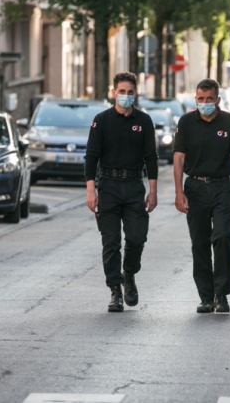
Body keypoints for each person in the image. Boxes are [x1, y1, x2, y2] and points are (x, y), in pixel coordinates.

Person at [173, 78, 230, 313]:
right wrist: (178, 192)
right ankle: (206, 297)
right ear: (195, 99)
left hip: (221, 188)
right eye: (200, 99)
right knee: (199, 243)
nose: (204, 103)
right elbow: (178, 158)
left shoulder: (228, 121)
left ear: (217, 100)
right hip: (194, 189)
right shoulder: (186, 122)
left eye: (209, 99)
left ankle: (222, 294)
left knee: (223, 236)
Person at [85, 72, 158, 312]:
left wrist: (153, 190)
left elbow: (151, 157)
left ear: (135, 93)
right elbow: (91, 158)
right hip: (109, 187)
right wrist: (91, 191)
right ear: (113, 92)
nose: (125, 96)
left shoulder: (144, 121)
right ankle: (115, 290)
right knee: (111, 242)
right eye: (121, 91)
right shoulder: (101, 120)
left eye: (130, 92)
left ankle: (129, 273)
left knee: (137, 238)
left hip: (134, 187)